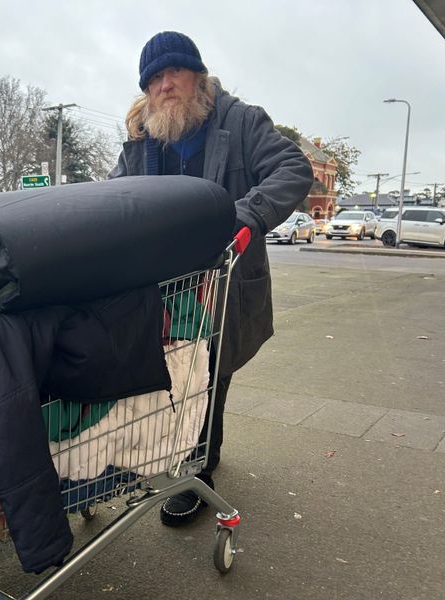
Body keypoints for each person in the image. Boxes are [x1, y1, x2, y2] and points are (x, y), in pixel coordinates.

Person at [109, 31, 313, 526]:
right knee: (162, 374)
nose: (165, 85)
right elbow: (113, 198)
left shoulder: (241, 121)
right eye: (154, 78)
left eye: (173, 72)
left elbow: (292, 167)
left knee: (206, 377)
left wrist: (240, 217)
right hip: (160, 283)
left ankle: (197, 474)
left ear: (196, 75)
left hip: (221, 280)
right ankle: (157, 456)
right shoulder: (141, 139)